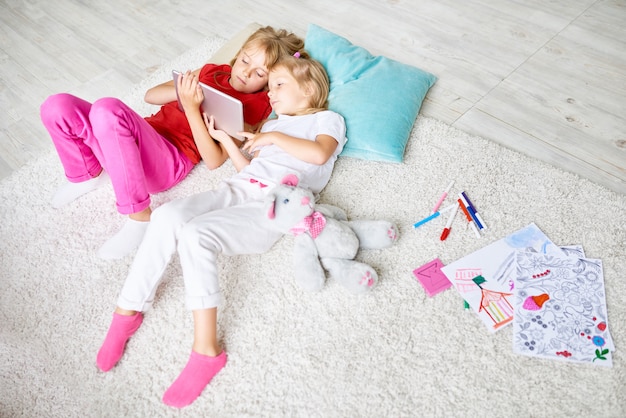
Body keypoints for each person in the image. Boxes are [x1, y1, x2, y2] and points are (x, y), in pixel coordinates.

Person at [96, 52, 346, 408]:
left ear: (309, 89)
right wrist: (228, 141)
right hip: (242, 187)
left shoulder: (327, 119)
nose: (270, 94)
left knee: (198, 235)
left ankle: (206, 350)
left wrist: (271, 140)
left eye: (278, 85)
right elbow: (248, 169)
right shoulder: (274, 125)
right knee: (167, 215)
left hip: (275, 205)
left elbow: (320, 155)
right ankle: (126, 311)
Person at [40, 26, 305, 259]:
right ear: (238, 54)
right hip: (141, 134)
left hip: (170, 158)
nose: (246, 72)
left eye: (259, 73)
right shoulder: (213, 71)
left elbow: (214, 160)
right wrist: (188, 89)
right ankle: (85, 174)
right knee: (58, 105)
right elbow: (151, 95)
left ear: (268, 82)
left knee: (107, 109)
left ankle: (139, 217)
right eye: (245, 60)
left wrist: (193, 108)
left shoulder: (253, 105)